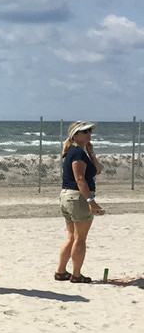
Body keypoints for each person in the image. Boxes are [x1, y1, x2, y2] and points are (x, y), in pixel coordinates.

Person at [56, 121, 104, 283]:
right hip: (77, 197)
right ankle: (76, 274)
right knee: (79, 238)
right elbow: (79, 179)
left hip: (68, 196)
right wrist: (91, 201)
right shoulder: (76, 153)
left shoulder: (79, 152)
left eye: (89, 131)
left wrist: (91, 153)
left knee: (72, 237)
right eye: (84, 131)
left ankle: (61, 271)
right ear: (75, 135)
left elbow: (97, 169)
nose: (88, 134)